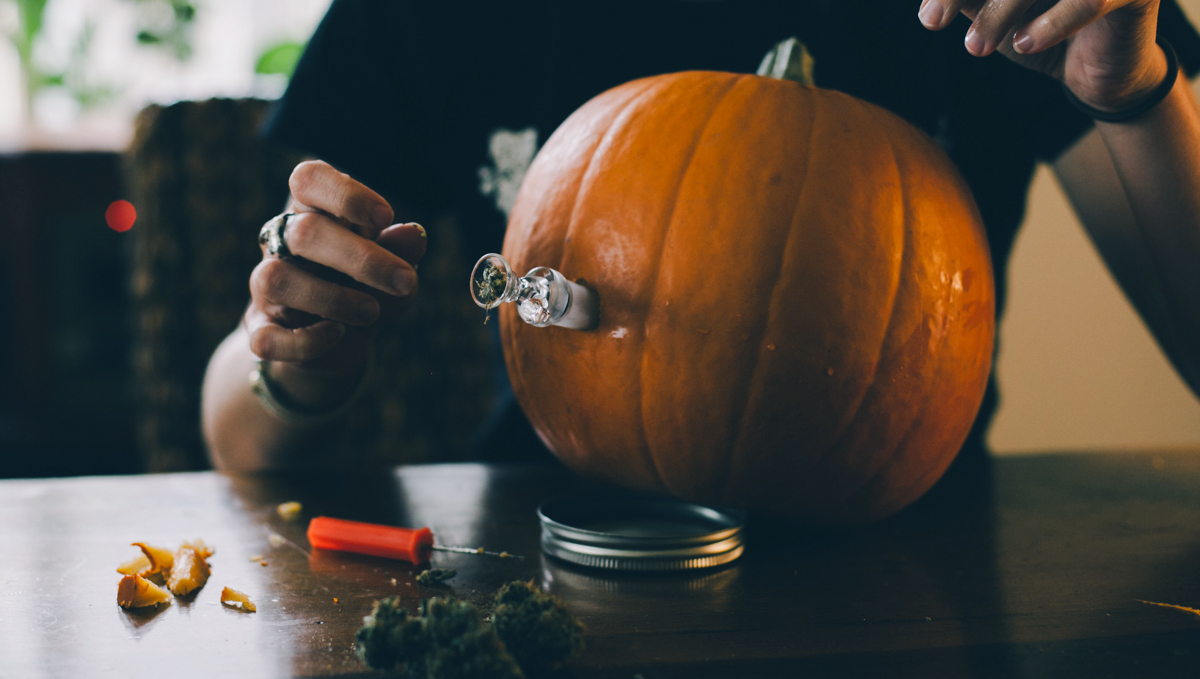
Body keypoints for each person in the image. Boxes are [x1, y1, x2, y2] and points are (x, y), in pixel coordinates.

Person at [202, 0, 1200, 473]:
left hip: (916, 583)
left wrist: (1135, 96)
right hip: (544, 563)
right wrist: (295, 363)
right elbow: (236, 428)